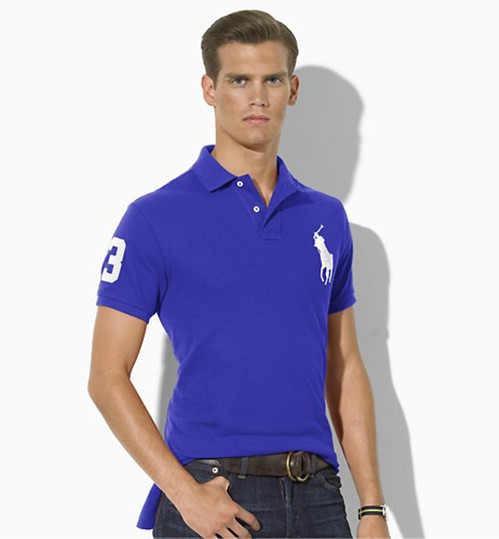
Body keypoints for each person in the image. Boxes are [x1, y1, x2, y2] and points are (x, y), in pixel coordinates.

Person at [88, 9, 390, 539]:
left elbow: (344, 365)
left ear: (292, 90)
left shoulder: (325, 218)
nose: (258, 97)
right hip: (214, 496)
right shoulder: (154, 217)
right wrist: (184, 494)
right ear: (210, 89)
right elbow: (107, 376)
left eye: (272, 80)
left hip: (319, 495)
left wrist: (371, 509)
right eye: (239, 80)